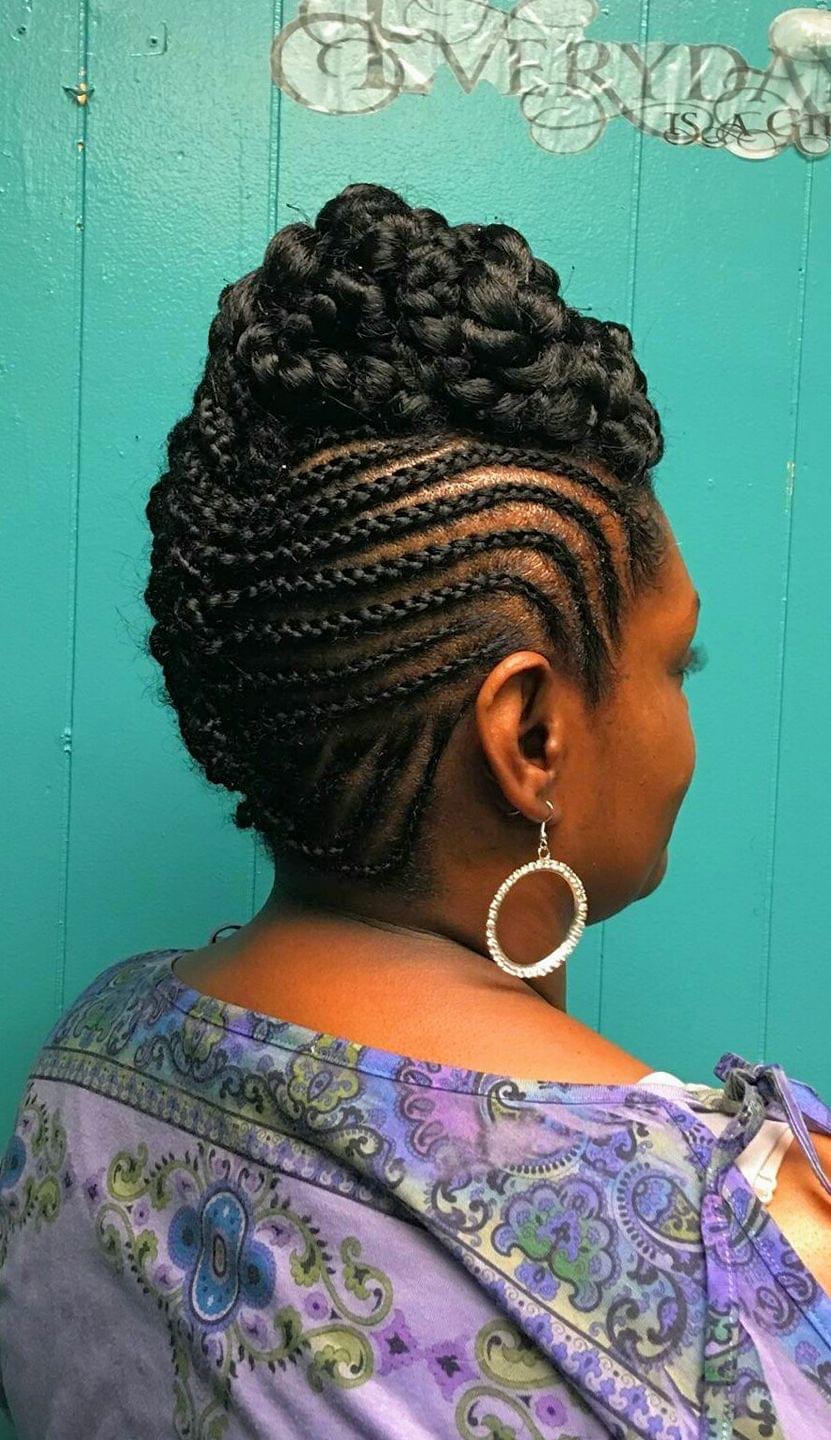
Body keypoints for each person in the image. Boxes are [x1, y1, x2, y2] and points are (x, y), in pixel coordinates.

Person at [1, 181, 830, 1439]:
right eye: (681, 662)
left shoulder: (85, 1068)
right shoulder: (745, 1252)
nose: (684, 717)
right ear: (533, 734)